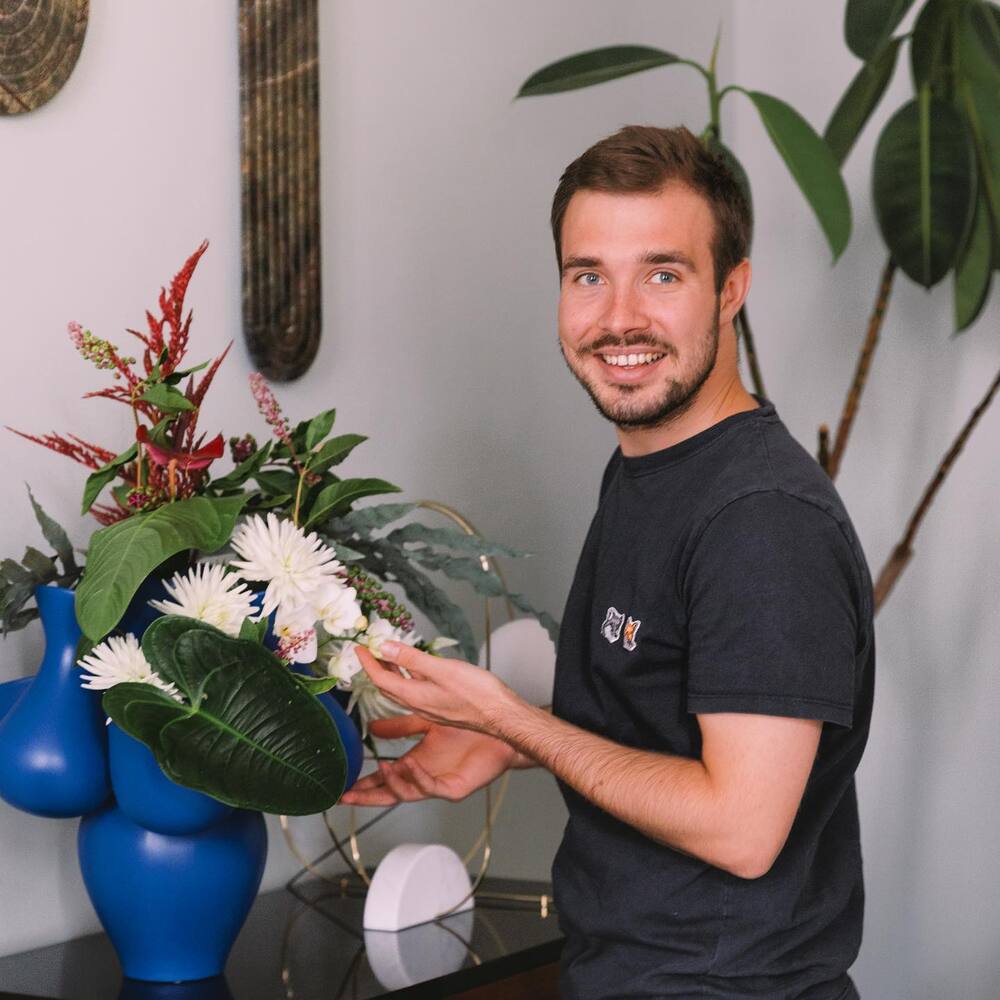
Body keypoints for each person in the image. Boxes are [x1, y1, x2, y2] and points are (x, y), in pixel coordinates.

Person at [342, 125, 875, 1000]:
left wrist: (517, 723)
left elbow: (741, 826)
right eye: (589, 275)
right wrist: (500, 741)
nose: (619, 318)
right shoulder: (652, 469)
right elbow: (676, 716)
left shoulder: (763, 523)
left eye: (663, 274)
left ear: (731, 288)